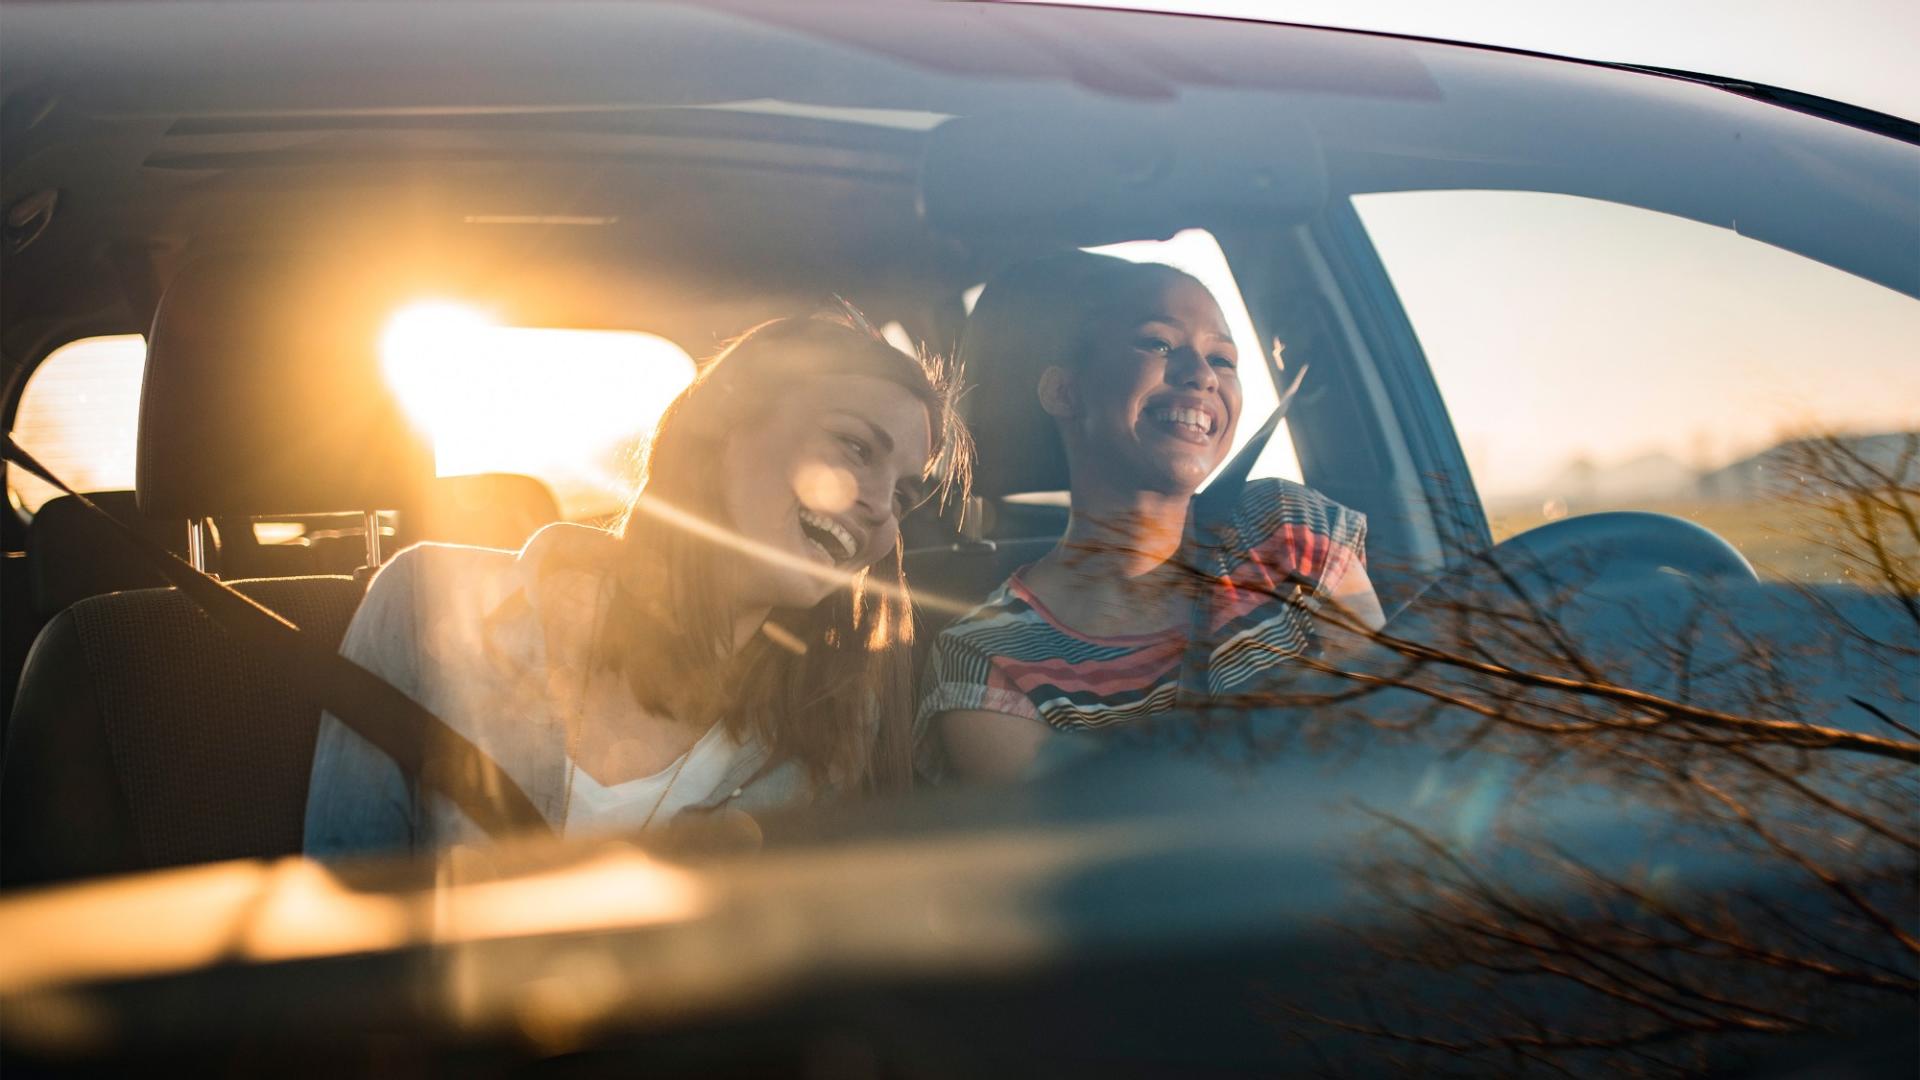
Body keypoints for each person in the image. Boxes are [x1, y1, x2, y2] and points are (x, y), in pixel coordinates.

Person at [305, 310, 970, 858]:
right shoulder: (427, 599)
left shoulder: (841, 723)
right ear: (725, 426)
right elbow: (343, 927)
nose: (884, 508)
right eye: (856, 447)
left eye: (907, 495)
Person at [919, 253, 1385, 783]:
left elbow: (1399, 736)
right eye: (1159, 344)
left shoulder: (1287, 528)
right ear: (1064, 391)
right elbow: (1073, 856)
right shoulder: (986, 659)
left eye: (1223, 359)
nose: (1202, 376)